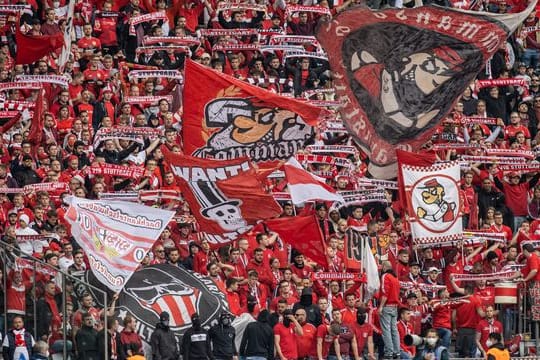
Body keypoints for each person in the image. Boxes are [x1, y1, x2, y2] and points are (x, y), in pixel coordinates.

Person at [379, 260, 400, 359]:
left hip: (387, 306)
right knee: (394, 330)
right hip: (395, 307)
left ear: (384, 267)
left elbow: (385, 292)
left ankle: (389, 352)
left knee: (386, 330)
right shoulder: (395, 278)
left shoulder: (385, 276)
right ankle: (397, 351)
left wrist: (381, 306)